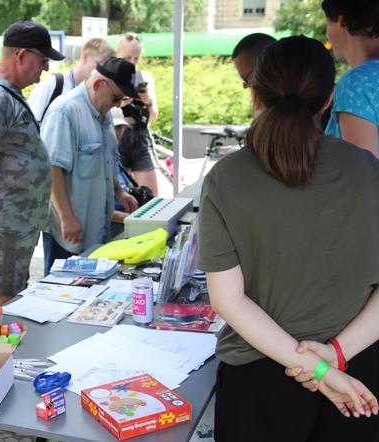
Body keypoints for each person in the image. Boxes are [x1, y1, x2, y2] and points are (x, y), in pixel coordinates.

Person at [197, 36, 379, 442]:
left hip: (259, 379)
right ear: (328, 99)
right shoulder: (368, 170)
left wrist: (322, 369)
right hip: (357, 374)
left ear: (256, 95)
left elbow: (227, 299)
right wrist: (332, 358)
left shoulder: (226, 178)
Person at [0, 21, 64, 308]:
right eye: (42, 60)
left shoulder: (6, 93)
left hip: (14, 221)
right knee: (5, 302)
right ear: (21, 55)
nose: (44, 69)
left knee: (14, 294)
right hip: (3, 222)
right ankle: (2, 352)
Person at [41, 57, 138, 275]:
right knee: (62, 294)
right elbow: (51, 169)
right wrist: (66, 217)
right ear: (97, 84)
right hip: (69, 233)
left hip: (96, 229)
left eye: (121, 100)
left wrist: (120, 192)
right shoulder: (64, 111)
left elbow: (106, 160)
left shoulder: (104, 113)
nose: (116, 104)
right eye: (115, 98)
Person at [322, 0, 379, 156]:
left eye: (327, 25)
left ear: (342, 21)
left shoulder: (356, 84)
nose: (327, 36)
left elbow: (363, 172)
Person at [28, 37, 115, 122]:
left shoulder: (98, 93)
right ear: (85, 57)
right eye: (100, 65)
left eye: (107, 69)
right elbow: (29, 126)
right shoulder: (53, 84)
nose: (102, 72)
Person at [116, 32, 160, 196]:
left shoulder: (144, 76)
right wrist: (123, 101)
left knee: (151, 197)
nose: (132, 63)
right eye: (127, 58)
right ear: (117, 54)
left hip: (141, 136)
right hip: (120, 135)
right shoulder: (111, 76)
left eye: (136, 58)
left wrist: (147, 99)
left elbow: (154, 117)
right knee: (121, 196)